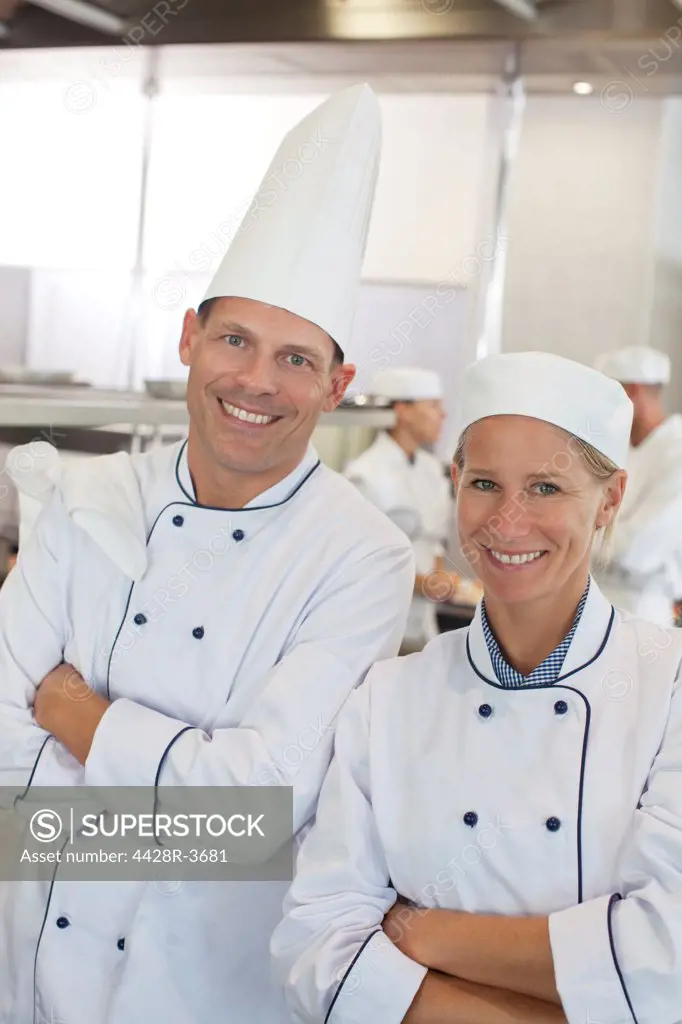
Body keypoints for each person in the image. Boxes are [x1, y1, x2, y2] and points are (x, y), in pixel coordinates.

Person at [0, 84, 415, 1024]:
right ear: (189, 337)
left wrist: (77, 716)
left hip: (193, 994)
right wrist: (183, 793)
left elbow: (259, 812)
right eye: (235, 339)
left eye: (296, 359)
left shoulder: (362, 558)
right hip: (22, 972)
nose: (256, 383)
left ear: (338, 383)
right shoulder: (84, 496)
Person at [272, 350, 682, 1024]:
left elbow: (668, 958)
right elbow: (314, 946)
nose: (508, 521)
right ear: (455, 482)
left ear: (609, 499)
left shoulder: (668, 687)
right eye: (486, 484)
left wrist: (425, 932)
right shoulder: (388, 696)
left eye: (547, 489)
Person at [344, 367, 462, 652]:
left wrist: (440, 580)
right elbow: (361, 561)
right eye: (433, 406)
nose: (442, 416)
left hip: (424, 621)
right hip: (376, 619)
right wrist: (423, 584)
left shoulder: (431, 470)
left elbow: (434, 540)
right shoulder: (364, 474)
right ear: (403, 411)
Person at [593, 345, 682, 625]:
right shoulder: (616, 446)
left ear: (631, 392)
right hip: (592, 601)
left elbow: (639, 551)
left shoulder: (676, 448)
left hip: (641, 612)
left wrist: (576, 539)